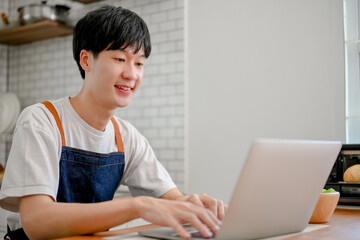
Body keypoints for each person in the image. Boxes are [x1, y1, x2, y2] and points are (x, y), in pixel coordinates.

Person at [0, 5, 226, 240]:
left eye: (139, 63)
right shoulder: (41, 120)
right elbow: (38, 222)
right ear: (86, 60)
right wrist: (136, 207)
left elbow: (171, 201)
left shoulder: (127, 137)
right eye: (120, 59)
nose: (131, 74)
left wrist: (194, 205)